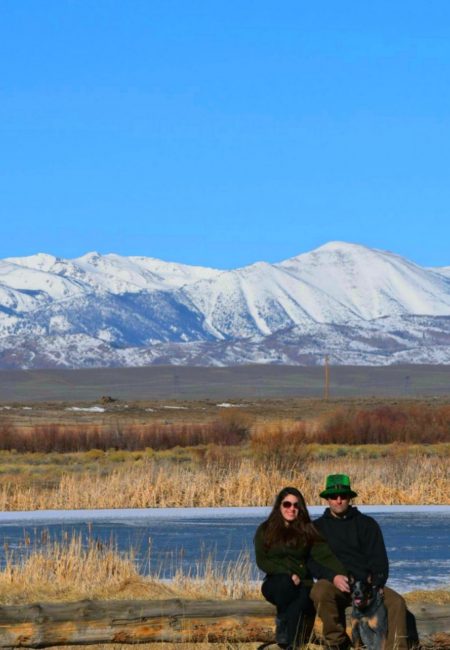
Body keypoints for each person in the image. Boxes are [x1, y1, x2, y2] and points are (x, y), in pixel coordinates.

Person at [310, 474, 408, 650]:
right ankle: (338, 643)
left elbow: (380, 560)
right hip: (336, 585)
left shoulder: (367, 524)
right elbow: (311, 562)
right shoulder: (317, 528)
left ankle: (396, 647)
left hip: (366, 586)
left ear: (350, 498)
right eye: (333, 497)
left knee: (397, 603)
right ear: (327, 499)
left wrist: (377, 583)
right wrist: (333, 577)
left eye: (343, 496)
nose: (338, 500)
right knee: (320, 590)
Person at [254, 486, 346, 650]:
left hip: (303, 584)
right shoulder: (265, 529)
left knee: (301, 598)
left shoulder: (307, 530)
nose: (292, 509)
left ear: (301, 508)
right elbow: (262, 561)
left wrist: (344, 575)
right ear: (279, 506)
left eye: (296, 505)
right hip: (275, 583)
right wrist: (289, 573)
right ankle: (285, 622)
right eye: (287, 504)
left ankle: (292, 644)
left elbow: (324, 556)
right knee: (285, 584)